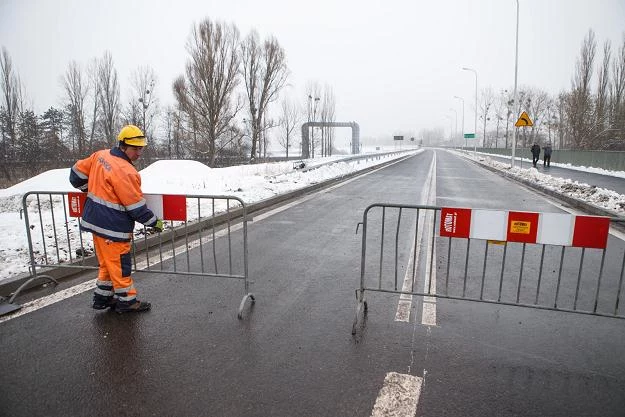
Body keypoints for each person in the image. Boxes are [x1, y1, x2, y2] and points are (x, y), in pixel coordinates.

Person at [69, 125, 163, 313]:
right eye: (135, 149)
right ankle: (128, 301)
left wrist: (88, 187)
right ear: (123, 145)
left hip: (95, 223)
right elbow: (135, 206)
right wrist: (154, 222)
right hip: (113, 228)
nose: (139, 153)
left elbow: (75, 174)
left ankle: (102, 298)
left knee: (107, 264)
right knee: (120, 266)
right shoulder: (126, 171)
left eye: (140, 148)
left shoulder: (100, 155)